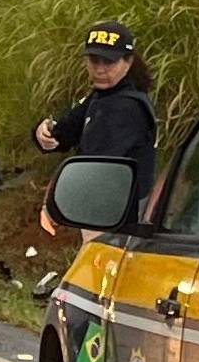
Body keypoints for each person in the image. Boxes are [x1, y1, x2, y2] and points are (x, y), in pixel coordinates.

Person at [35, 21, 158, 225]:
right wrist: (44, 131)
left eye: (108, 62)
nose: (100, 70)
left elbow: (93, 168)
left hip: (119, 217)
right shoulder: (103, 95)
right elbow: (64, 131)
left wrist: (53, 203)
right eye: (94, 60)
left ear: (128, 62)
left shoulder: (125, 108)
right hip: (103, 210)